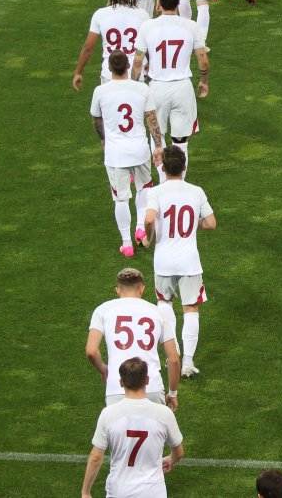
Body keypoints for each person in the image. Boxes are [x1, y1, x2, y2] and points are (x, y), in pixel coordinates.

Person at [142, 145, 216, 379]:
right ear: (184, 167)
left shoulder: (156, 192)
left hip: (163, 261)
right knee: (191, 309)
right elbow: (211, 223)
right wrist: (193, 225)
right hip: (189, 261)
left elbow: (149, 218)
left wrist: (148, 238)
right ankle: (187, 363)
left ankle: (171, 356)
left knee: (164, 305)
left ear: (163, 167)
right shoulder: (196, 191)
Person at [90, 50, 165, 256]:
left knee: (120, 199)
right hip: (139, 149)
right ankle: (141, 226)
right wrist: (158, 144)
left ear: (110, 68)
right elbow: (152, 118)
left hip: (115, 154)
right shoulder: (142, 88)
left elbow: (96, 120)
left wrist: (104, 138)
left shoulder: (100, 91)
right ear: (127, 67)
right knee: (145, 188)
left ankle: (127, 244)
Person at [131, 0, 209, 178]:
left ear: (159, 3)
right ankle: (178, 181)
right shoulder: (191, 27)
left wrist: (133, 85)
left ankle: (162, 179)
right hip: (183, 88)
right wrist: (204, 81)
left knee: (157, 137)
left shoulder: (148, 26)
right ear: (178, 4)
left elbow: (138, 61)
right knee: (181, 141)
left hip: (157, 88)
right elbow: (203, 59)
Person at [81, 357, 184, 498]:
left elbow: (95, 458)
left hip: (119, 491)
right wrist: (171, 459)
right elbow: (178, 452)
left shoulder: (109, 414)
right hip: (153, 492)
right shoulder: (164, 413)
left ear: (121, 382)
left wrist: (86, 492)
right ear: (147, 380)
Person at [86, 269, 180, 408]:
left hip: (117, 387)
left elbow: (91, 351)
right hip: (151, 387)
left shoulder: (103, 310)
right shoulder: (158, 312)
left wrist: (104, 369)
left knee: (117, 429)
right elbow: (173, 359)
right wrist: (172, 393)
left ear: (117, 290)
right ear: (142, 288)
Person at [72, 0, 150, 91]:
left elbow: (88, 48)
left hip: (109, 75)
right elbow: (148, 46)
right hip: (136, 75)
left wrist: (78, 72)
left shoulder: (100, 14)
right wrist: (151, 64)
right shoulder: (142, 15)